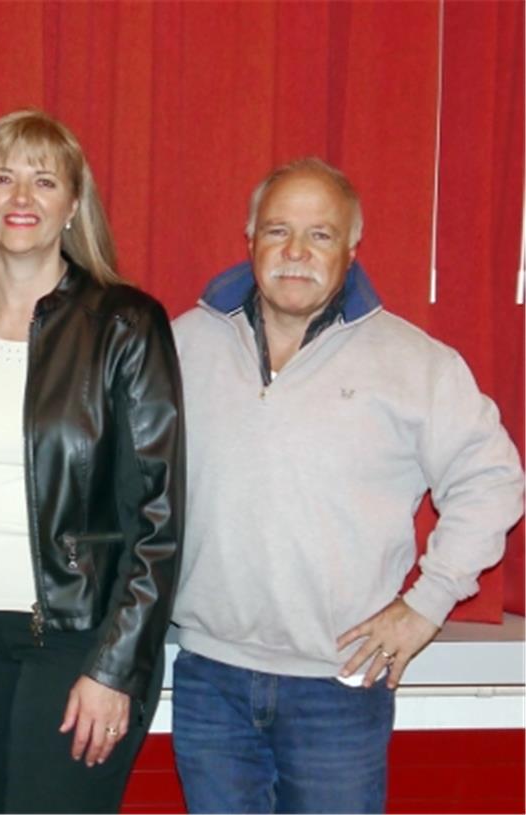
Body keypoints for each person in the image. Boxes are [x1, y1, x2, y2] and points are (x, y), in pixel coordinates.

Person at [169, 156, 525, 814]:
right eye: (278, 230)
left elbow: (495, 479)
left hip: (339, 688)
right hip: (209, 681)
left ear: (353, 248)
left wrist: (427, 604)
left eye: (321, 234)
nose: (297, 252)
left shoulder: (414, 362)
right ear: (249, 237)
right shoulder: (180, 344)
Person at [0, 109, 184, 813]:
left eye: (45, 180)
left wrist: (115, 669)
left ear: (73, 204)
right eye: (2, 178)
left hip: (76, 642)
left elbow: (158, 519)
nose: (22, 197)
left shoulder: (126, 324)